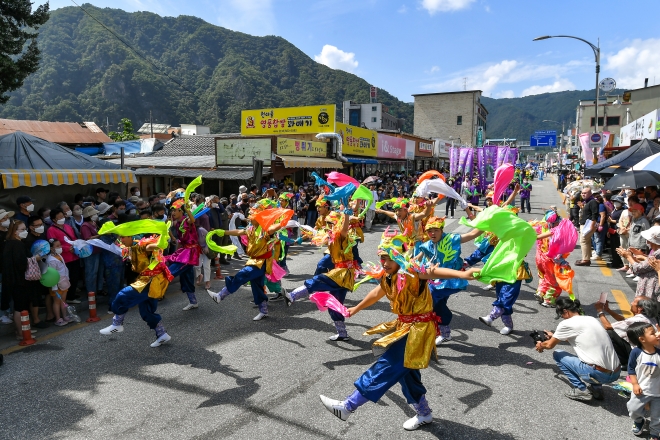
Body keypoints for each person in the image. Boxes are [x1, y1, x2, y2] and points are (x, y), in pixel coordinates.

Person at [318, 229, 477, 431]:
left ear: (399, 257)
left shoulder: (411, 272)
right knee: (406, 373)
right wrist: (355, 309)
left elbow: (432, 272)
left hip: (419, 329)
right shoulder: (388, 276)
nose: (384, 263)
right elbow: (377, 293)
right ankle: (424, 413)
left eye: (388, 258)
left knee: (389, 364)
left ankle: (348, 406)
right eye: (382, 258)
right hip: (405, 326)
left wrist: (463, 274)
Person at [534, 298, 620, 401]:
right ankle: (597, 389)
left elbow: (549, 345)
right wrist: (555, 336)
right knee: (592, 359)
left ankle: (581, 389)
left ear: (565, 311)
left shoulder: (566, 324)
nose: (562, 317)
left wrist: (540, 345)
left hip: (599, 374)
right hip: (616, 373)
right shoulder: (591, 319)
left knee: (558, 354)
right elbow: (577, 337)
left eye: (561, 314)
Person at [416, 216, 483, 344]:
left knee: (429, 299)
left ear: (441, 230)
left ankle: (425, 329)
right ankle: (444, 332)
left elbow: (472, 234)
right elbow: (417, 259)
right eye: (430, 231)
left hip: (450, 280)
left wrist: (488, 223)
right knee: (439, 306)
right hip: (435, 280)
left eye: (436, 230)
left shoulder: (451, 239)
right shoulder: (427, 245)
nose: (433, 233)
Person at [595, 296, 659, 367]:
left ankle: (624, 361)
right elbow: (624, 321)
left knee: (610, 333)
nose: (631, 303)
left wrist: (600, 311)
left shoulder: (637, 320)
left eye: (634, 302)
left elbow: (607, 326)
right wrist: (608, 310)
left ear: (640, 308)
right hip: (646, 351)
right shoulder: (649, 317)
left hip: (638, 353)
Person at [626, 322, 660, 440]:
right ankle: (639, 420)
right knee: (633, 409)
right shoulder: (636, 352)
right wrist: (635, 384)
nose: (656, 334)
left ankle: (655, 433)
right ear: (642, 339)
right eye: (653, 333)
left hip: (658, 393)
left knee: (657, 416)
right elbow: (631, 369)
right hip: (642, 389)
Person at [2, 220, 31, 339]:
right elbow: (21, 263)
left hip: (12, 280)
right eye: (22, 230)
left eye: (25, 229)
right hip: (19, 280)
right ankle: (21, 332)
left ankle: (24, 331)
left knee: (20, 306)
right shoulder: (17, 244)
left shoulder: (9, 243)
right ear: (14, 232)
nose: (25, 232)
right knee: (20, 307)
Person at [46, 208, 82, 304]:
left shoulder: (67, 227)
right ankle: (66, 297)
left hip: (74, 255)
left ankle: (71, 295)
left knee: (74, 276)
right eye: (59, 217)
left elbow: (74, 238)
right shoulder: (51, 230)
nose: (62, 218)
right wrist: (67, 248)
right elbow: (53, 244)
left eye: (63, 216)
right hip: (63, 258)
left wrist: (75, 245)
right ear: (54, 219)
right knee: (65, 277)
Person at [46, 238, 72, 326]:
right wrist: (54, 287)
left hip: (64, 282)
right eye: (57, 246)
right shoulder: (50, 260)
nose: (60, 247)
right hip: (56, 284)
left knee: (63, 301)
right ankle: (58, 318)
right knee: (56, 301)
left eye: (60, 245)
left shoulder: (59, 256)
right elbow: (51, 275)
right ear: (51, 248)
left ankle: (64, 316)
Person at [80, 206, 103, 296]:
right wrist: (99, 235)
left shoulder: (94, 223)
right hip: (90, 252)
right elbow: (87, 238)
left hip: (98, 250)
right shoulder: (85, 226)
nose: (96, 215)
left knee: (98, 272)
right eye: (94, 214)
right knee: (91, 273)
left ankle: (97, 290)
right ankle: (91, 293)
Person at [575, 187, 600, 266]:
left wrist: (592, 225)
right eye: (582, 193)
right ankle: (587, 258)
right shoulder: (587, 202)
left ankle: (585, 259)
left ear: (590, 193)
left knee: (583, 241)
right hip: (585, 224)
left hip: (588, 224)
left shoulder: (593, 202)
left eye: (585, 193)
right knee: (587, 241)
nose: (583, 194)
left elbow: (594, 214)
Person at [0, 209, 14, 324]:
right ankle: (2, 313)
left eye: (7, 218)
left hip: (11, 266)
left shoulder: (9, 233)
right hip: (1, 267)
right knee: (1, 291)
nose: (6, 221)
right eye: (4, 218)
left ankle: (9, 311)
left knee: (9, 290)